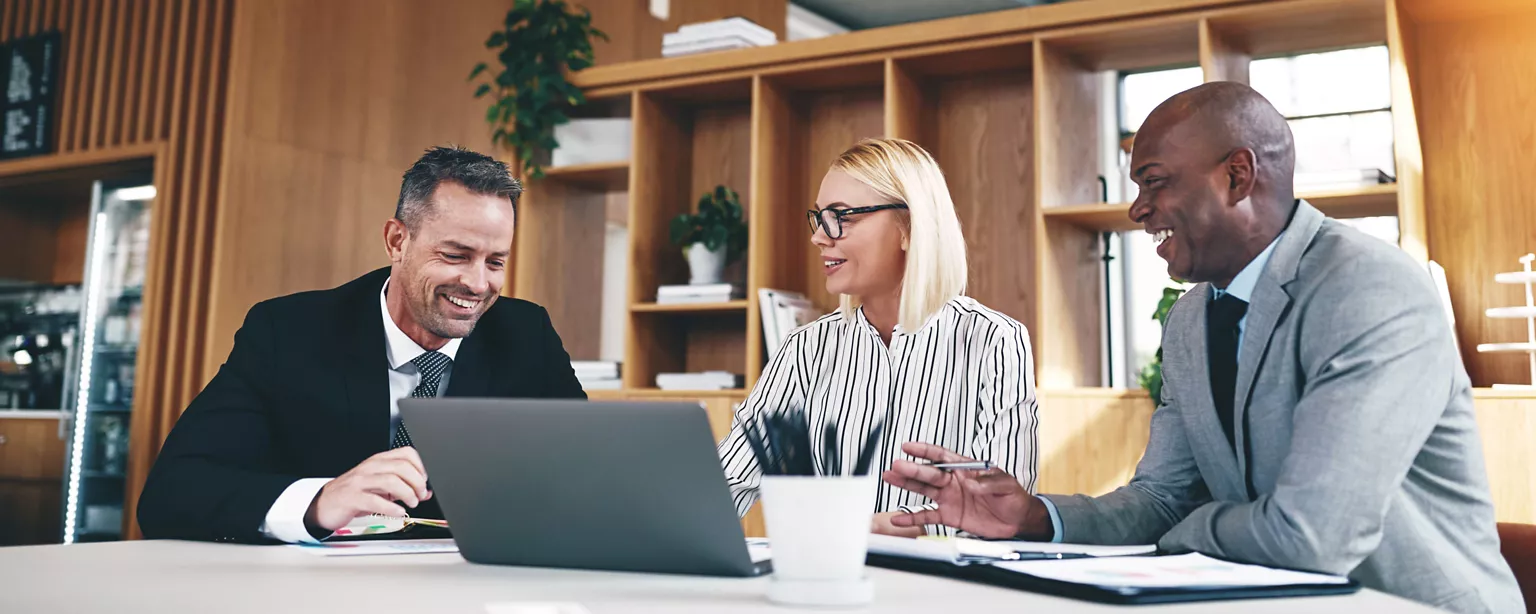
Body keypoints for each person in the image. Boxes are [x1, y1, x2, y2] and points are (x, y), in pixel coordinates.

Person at [881, 83, 1522, 612]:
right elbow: (1160, 499)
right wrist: (1033, 516)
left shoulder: (1367, 286)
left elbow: (1312, 537)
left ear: (1238, 176)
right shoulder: (1190, 318)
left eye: (1155, 182)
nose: (1137, 211)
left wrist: (1187, 530)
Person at [137, 146, 586, 544]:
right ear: (397, 240)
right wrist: (318, 501)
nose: (476, 283)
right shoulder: (288, 331)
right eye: (455, 255)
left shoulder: (528, 335)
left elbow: (589, 476)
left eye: (495, 262)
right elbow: (172, 494)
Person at [718, 138, 1038, 537]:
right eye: (818, 218)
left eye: (841, 217)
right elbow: (727, 482)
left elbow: (1002, 514)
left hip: (941, 594)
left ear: (909, 227)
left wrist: (889, 529)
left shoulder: (994, 341)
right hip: (826, 584)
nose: (819, 236)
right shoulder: (805, 348)